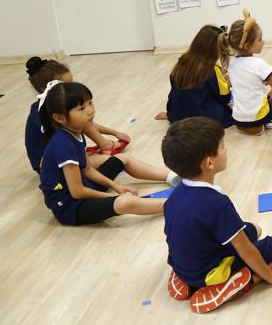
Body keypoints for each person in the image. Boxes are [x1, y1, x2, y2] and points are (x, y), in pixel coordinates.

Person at [161, 118, 272, 313]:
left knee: (254, 229)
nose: (226, 150)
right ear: (209, 163)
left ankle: (186, 278)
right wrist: (271, 278)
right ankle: (237, 283)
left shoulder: (174, 196)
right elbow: (246, 251)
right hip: (211, 271)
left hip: (184, 264)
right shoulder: (216, 203)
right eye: (222, 147)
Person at [37, 81, 178, 225]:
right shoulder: (63, 144)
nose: (90, 110)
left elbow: (87, 169)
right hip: (70, 207)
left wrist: (116, 186)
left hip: (83, 187)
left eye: (90, 103)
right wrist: (112, 197)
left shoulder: (75, 132)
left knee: (122, 159)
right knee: (125, 203)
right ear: (60, 118)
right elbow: (77, 192)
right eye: (81, 108)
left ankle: (173, 176)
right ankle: (177, 204)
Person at [24, 56, 129, 172]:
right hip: (50, 165)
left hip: (62, 154)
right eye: (67, 85)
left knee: (82, 119)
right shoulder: (45, 112)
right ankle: (105, 146)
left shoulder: (57, 105)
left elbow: (87, 123)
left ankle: (105, 145)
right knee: (116, 161)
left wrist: (115, 133)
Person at [163, 25, 234, 127]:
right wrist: (226, 83)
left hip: (177, 118)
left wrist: (170, 113)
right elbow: (225, 98)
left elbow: (173, 93)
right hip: (205, 120)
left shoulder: (181, 63)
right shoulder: (213, 70)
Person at [227, 10, 272, 135]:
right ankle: (270, 119)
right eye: (260, 39)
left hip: (238, 118)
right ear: (247, 46)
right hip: (259, 116)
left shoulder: (231, 63)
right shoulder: (258, 63)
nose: (263, 42)